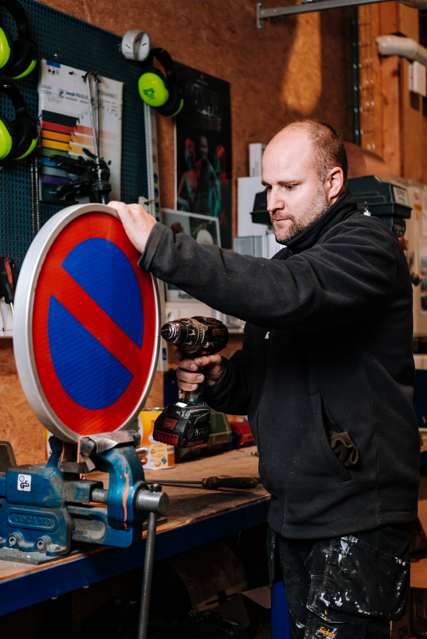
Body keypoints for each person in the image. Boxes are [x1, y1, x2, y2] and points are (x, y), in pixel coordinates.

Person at [110, 119, 420, 639]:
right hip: (293, 515)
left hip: (356, 521)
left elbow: (290, 292)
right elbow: (258, 384)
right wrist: (219, 377)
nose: (274, 202)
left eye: (289, 186)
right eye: (268, 187)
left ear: (333, 182)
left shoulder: (367, 247)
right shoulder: (288, 265)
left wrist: (164, 247)